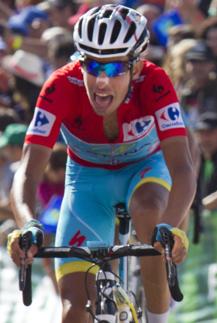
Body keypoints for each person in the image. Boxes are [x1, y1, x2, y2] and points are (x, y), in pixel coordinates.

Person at [6, 5, 196, 323]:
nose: (101, 81)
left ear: (136, 68)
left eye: (115, 68)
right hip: (87, 182)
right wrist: (27, 223)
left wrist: (171, 226)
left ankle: (158, 318)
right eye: (92, 65)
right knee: (74, 312)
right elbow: (27, 170)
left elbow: (183, 168)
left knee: (150, 211)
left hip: (144, 171)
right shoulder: (60, 86)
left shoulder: (155, 82)